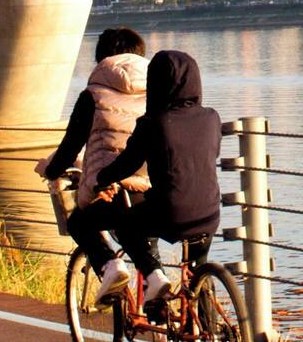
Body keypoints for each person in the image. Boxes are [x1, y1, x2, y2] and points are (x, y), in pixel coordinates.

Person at [72, 50, 223, 309]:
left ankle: (152, 276)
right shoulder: (212, 118)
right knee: (197, 276)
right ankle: (205, 328)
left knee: (101, 224)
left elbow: (127, 163)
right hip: (209, 214)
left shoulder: (153, 123)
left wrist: (101, 179)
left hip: (169, 215)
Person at [39, 28, 153, 293]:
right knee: (148, 246)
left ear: (101, 59)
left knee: (78, 222)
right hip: (152, 191)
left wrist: (51, 169)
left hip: (112, 191)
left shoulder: (92, 96)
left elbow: (70, 148)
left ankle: (108, 266)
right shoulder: (158, 92)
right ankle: (157, 306)